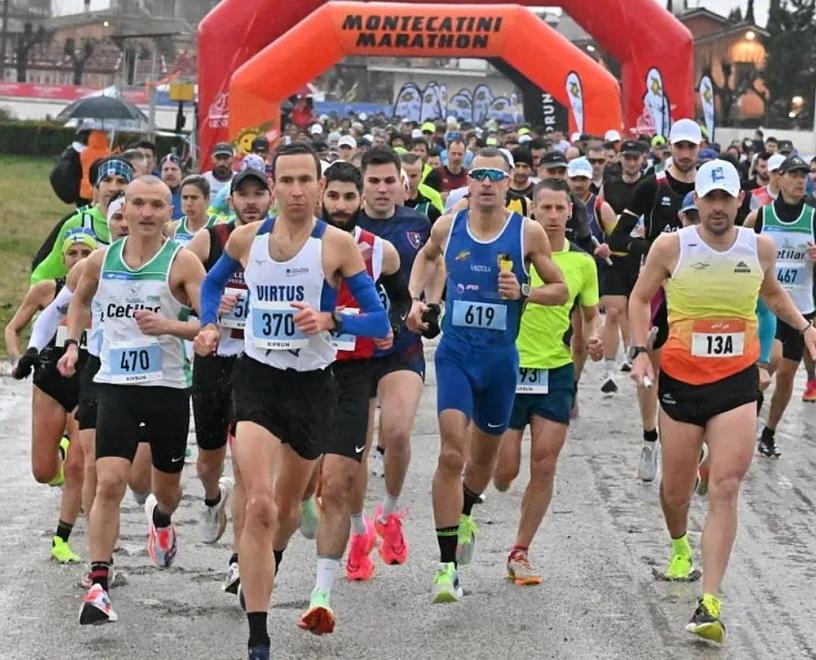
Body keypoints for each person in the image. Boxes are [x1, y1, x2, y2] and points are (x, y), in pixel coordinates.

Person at [193, 143, 389, 660]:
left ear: (320, 188)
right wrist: (210, 323)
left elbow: (378, 322)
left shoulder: (337, 246)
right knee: (258, 504)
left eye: (306, 181)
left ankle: (268, 562)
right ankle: (259, 638)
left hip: (312, 387)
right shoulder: (246, 238)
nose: (297, 191)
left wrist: (332, 319)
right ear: (273, 186)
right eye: (287, 181)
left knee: (282, 510)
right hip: (257, 380)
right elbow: (210, 287)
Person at [629, 159, 816, 643]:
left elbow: (772, 295)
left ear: (740, 200)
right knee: (675, 491)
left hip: (735, 383)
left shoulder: (759, 246)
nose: (717, 207)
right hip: (682, 382)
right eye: (709, 198)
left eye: (724, 198)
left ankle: (710, 601)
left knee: (726, 486)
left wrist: (805, 327)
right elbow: (639, 297)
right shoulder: (672, 246)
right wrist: (640, 351)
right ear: (697, 201)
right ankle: (679, 546)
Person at [405, 147, 568, 603]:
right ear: (469, 182)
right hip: (456, 355)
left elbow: (561, 289)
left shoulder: (526, 233)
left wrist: (525, 290)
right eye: (479, 175)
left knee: (483, 462)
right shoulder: (448, 225)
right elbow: (427, 258)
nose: (487, 183)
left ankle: (466, 511)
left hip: (500, 362)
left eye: (496, 176)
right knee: (451, 453)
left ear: (509, 182)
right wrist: (416, 299)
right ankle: (446, 567)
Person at [58, 176, 205, 625]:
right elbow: (79, 302)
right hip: (115, 385)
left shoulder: (182, 262)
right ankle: (99, 583)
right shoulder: (102, 260)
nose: (145, 213)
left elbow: (208, 325)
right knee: (108, 481)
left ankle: (160, 519)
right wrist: (72, 344)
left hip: (167, 388)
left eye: (156, 205)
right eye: (137, 204)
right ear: (124, 209)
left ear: (168, 212)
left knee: (167, 490)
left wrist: (168, 326)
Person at [298, 161, 410, 634]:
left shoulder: (378, 249)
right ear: (321, 195)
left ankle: (321, 596)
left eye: (350, 197)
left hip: (351, 374)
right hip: (298, 372)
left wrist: (392, 326)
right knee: (297, 485)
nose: (342, 206)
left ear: (360, 199)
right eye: (335, 196)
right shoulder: (295, 244)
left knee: (340, 483)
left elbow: (400, 298)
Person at [492, 178, 602, 584]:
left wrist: (594, 338)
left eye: (560, 208)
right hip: (509, 367)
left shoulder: (583, 263)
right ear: (532, 210)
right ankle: (484, 481)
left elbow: (590, 315)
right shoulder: (513, 254)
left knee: (545, 462)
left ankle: (521, 550)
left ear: (571, 212)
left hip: (555, 371)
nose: (553, 216)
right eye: (546, 208)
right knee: (504, 472)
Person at [184, 169, 273, 605]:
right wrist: (205, 305)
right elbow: (175, 283)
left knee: (245, 467)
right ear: (231, 199)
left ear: (270, 198)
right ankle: (211, 498)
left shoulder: (279, 241)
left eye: (259, 193)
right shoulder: (212, 239)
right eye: (244, 194)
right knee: (209, 460)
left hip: (255, 365)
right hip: (213, 359)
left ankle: (239, 560)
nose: (251, 201)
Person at [608, 118, 701, 482]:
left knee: (691, 368)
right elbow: (618, 238)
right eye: (680, 147)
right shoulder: (653, 186)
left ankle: (690, 440)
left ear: (698, 149)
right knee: (651, 368)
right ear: (670, 148)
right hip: (657, 290)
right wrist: (655, 249)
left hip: (696, 290)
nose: (685, 153)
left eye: (691, 147)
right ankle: (650, 438)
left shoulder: (710, 188)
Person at [355, 146, 433, 569]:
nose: (382, 189)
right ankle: (356, 531)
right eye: (374, 181)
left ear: (403, 182)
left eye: (390, 181)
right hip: (354, 352)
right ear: (362, 184)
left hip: (402, 346)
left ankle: (388, 513)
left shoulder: (417, 224)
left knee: (398, 433)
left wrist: (427, 303)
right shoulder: (345, 224)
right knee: (355, 449)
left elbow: (437, 265)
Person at [6, 229, 97, 563]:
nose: (79, 260)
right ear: (62, 258)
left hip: (87, 382)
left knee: (78, 465)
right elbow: (12, 328)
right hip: (49, 382)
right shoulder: (48, 290)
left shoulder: (103, 291)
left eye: (86, 254)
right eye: (73, 253)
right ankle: (60, 453)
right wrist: (18, 358)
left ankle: (62, 539)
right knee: (43, 472)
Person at [744, 155, 816, 452]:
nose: (800, 180)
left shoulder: (813, 216)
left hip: (800, 309)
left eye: (804, 175)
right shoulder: (760, 217)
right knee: (765, 368)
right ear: (779, 178)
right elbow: (739, 252)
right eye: (794, 175)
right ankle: (745, 423)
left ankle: (769, 433)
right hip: (766, 309)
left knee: (786, 377)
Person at [32, 158, 133, 284]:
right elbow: (45, 274)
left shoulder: (140, 224)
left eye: (121, 181)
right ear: (97, 186)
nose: (113, 188)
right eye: (107, 180)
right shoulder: (78, 222)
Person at [598, 140, 646, 379]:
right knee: (614, 311)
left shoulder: (648, 185)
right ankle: (609, 367)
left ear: (643, 159)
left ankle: (630, 352)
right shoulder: (609, 185)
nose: (632, 162)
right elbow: (598, 213)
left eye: (636, 158)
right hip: (614, 256)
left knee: (632, 308)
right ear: (621, 158)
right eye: (628, 157)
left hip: (638, 255)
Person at [168, 175, 219, 247]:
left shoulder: (218, 227)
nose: (189, 203)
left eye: (194, 197)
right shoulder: (174, 228)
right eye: (185, 197)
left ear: (207, 199)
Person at [400, 152, 443, 223]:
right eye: (404, 176)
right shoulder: (386, 205)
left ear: (421, 177)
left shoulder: (430, 211)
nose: (408, 180)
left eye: (413, 176)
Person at [160, 154, 185, 220]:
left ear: (181, 173)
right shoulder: (152, 196)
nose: (169, 173)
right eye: (166, 169)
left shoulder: (189, 197)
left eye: (174, 169)